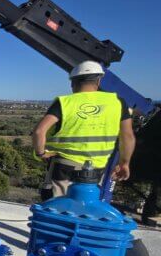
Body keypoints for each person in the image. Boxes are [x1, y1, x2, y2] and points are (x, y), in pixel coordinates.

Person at [32, 61, 135, 200]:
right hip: (96, 168)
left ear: (72, 83)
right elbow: (127, 136)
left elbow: (39, 131)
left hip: (64, 166)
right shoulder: (117, 103)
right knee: (85, 205)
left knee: (56, 206)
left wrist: (41, 153)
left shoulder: (65, 102)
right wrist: (124, 163)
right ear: (98, 81)